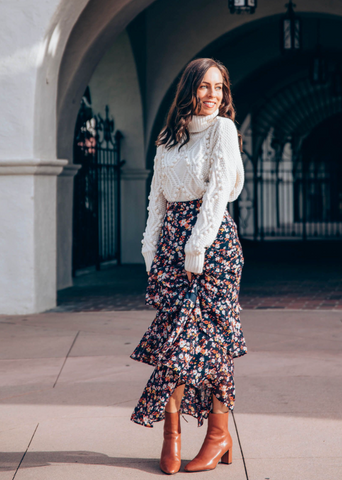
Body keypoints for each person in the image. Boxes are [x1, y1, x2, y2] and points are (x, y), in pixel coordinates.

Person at [130, 57, 247, 474]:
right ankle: (175, 434)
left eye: (220, 87)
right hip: (171, 247)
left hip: (212, 247)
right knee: (174, 345)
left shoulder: (223, 130)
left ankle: (215, 437)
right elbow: (156, 201)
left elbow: (217, 193)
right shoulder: (167, 139)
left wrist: (196, 247)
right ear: (190, 89)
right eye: (205, 86)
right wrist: (150, 250)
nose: (214, 94)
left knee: (205, 343)